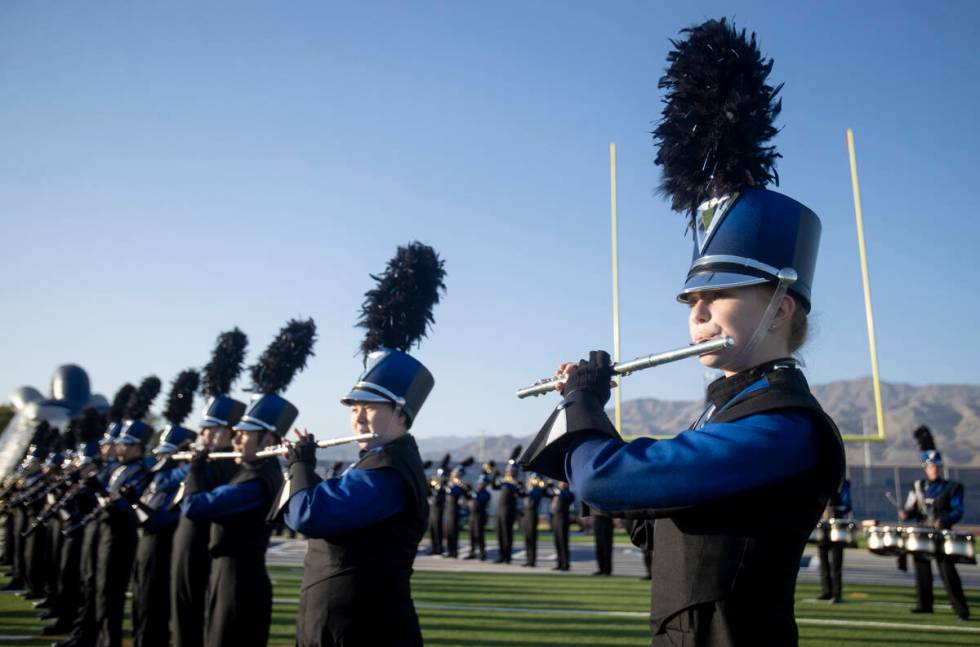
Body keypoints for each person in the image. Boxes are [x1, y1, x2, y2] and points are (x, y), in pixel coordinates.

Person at [519, 18, 845, 646]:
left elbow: (610, 481)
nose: (697, 312)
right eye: (691, 297)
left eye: (718, 295)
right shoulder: (725, 415)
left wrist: (582, 404)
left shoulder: (784, 427)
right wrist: (578, 425)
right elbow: (652, 521)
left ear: (780, 308)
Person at [276, 242, 444, 647]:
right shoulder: (372, 463)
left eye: (371, 407)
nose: (358, 417)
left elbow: (308, 514)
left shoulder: (387, 473)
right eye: (355, 407)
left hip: (367, 629)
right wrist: (305, 469)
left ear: (402, 415)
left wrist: (300, 466)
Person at [182, 319, 313, 647]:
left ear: (268, 438)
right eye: (237, 434)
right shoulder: (249, 471)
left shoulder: (256, 482)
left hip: (240, 582)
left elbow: (195, 508)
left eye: (245, 436)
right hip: (227, 577)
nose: (237, 442)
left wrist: (196, 472)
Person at [170, 328, 247, 647]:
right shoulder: (207, 459)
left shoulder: (231, 464)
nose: (204, 436)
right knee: (181, 614)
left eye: (211, 430)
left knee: (197, 620)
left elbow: (200, 503)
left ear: (228, 431)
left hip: (207, 547)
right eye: (204, 430)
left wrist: (198, 466)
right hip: (186, 542)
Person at [130, 370, 199, 647]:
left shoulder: (179, 477)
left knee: (153, 609)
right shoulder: (157, 477)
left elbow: (160, 519)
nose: (158, 458)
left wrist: (136, 504)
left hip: (163, 548)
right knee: (140, 605)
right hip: (146, 546)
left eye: (165, 453)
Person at [96, 378, 160, 647]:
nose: (118, 448)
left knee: (112, 591)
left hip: (123, 533)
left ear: (136, 447)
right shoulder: (117, 468)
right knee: (98, 588)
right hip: (105, 529)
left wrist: (114, 503)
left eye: (125, 444)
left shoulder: (141, 470)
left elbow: (129, 505)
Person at [899, 426, 970, 620]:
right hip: (923, 532)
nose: (934, 469)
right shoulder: (918, 487)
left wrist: (945, 520)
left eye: (937, 465)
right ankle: (924, 604)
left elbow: (959, 510)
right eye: (931, 466)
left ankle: (961, 609)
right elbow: (914, 509)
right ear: (925, 467)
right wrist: (906, 514)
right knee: (921, 568)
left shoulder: (953, 487)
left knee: (948, 572)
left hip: (942, 534)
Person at [817, 478, 851, 603]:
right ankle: (826, 591)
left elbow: (847, 505)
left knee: (836, 561)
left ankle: (837, 593)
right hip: (823, 524)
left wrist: (835, 509)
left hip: (837, 525)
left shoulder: (844, 484)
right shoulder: (819, 481)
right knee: (823, 558)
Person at [492, 448, 523, 564]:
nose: (508, 473)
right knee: (499, 533)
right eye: (508, 471)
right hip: (500, 510)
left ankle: (507, 556)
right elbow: (495, 486)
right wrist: (495, 476)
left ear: (514, 472)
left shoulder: (515, 484)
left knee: (507, 533)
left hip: (509, 510)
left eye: (510, 471)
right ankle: (501, 555)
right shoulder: (504, 482)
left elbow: (520, 492)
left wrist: (515, 483)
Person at [465, 467, 493, 560]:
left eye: (481, 483)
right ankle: (472, 552)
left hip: (480, 516)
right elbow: (468, 497)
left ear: (485, 484)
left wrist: (472, 492)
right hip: (472, 515)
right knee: (472, 534)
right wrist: (466, 490)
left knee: (479, 535)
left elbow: (479, 497)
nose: (479, 484)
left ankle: (482, 553)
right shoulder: (476, 492)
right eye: (479, 483)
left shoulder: (486, 494)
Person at [521, 474, 546, 567]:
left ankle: (532, 560)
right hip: (526, 514)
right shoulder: (531, 490)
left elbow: (531, 499)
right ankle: (528, 559)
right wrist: (521, 486)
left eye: (532, 479)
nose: (531, 481)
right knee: (527, 538)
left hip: (532, 514)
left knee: (532, 538)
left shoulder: (537, 490)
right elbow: (522, 494)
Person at [550, 481, 574, 572]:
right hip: (556, 518)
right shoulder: (558, 493)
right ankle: (559, 563)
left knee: (563, 542)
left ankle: (565, 564)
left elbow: (566, 498)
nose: (561, 484)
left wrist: (557, 491)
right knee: (557, 542)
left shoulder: (569, 493)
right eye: (560, 483)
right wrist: (549, 486)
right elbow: (547, 494)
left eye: (563, 482)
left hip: (563, 519)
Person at [592, 512, 614, 576]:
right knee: (599, 545)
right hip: (597, 517)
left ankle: (607, 570)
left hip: (606, 517)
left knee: (606, 545)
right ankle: (601, 569)